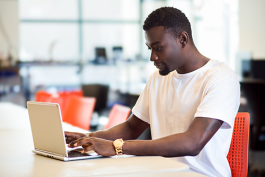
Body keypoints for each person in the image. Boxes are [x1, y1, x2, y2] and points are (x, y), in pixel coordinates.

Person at [65, 7, 240, 177]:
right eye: (150, 48)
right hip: (160, 170)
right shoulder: (158, 78)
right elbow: (131, 127)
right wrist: (89, 138)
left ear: (183, 39)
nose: (152, 57)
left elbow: (192, 143)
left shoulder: (220, 77)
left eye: (158, 48)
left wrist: (117, 147)